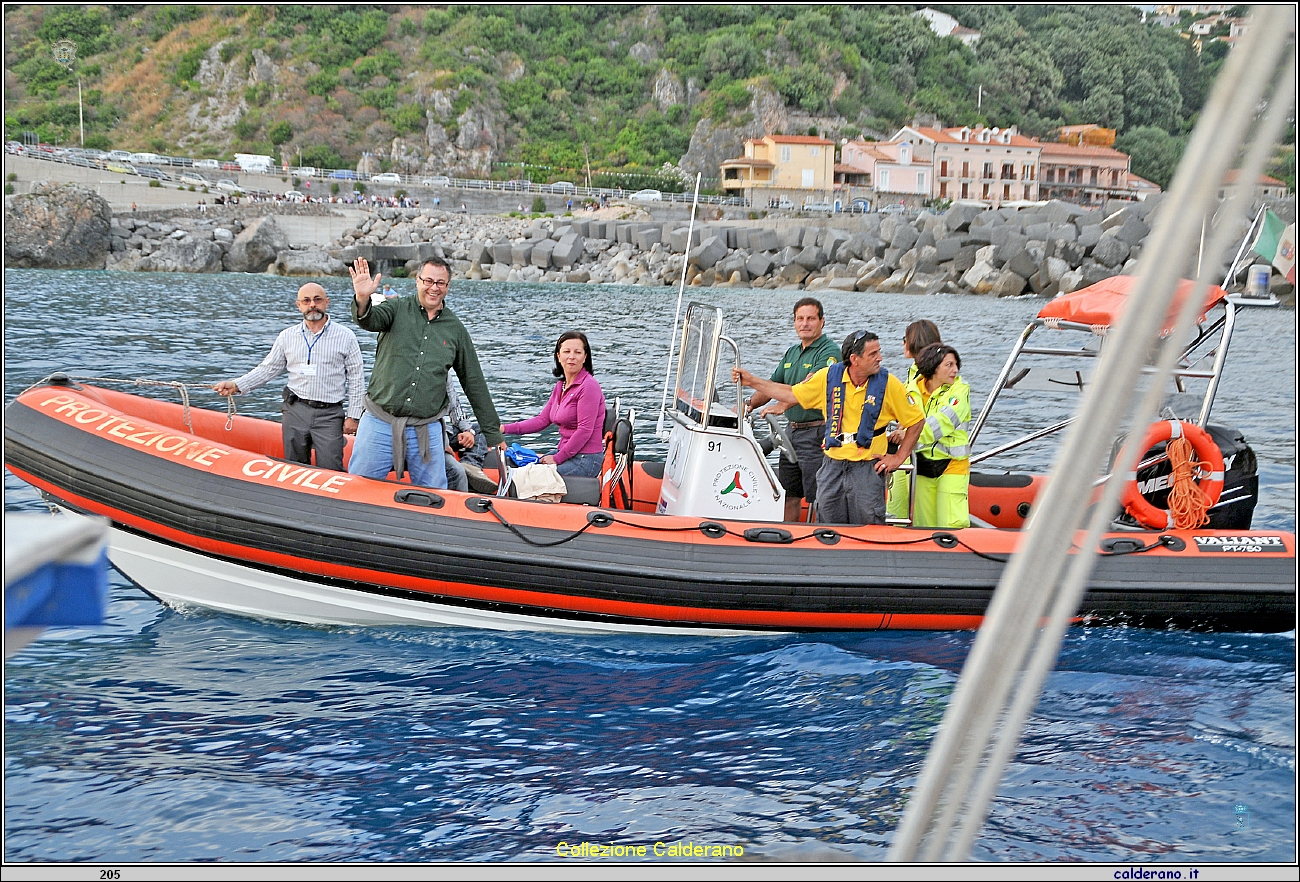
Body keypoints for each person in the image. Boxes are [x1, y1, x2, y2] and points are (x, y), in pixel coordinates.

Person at [734, 330, 924, 526]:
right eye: (873, 354)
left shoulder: (889, 384)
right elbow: (790, 394)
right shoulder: (828, 377)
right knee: (828, 521)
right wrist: (751, 381)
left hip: (867, 468)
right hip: (832, 465)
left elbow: (917, 421)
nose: (880, 358)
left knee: (868, 524)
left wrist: (899, 457)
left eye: (879, 352)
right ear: (854, 359)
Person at [348, 256, 505, 488]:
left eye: (440, 283)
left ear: (448, 286)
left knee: (435, 497)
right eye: (428, 281)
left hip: (427, 428)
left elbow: (473, 382)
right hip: (379, 422)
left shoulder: (456, 330)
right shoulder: (395, 309)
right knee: (358, 489)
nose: (434, 288)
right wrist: (362, 298)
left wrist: (493, 434)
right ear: (417, 281)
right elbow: (369, 320)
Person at [214, 283, 364, 471]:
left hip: (329, 415)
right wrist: (236, 385)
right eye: (306, 301)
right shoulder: (287, 336)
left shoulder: (346, 336)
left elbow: (357, 378)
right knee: (294, 468)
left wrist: (354, 416)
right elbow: (268, 369)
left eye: (317, 300)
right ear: (298, 305)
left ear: (327, 303)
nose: (312, 305)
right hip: (295, 411)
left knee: (331, 467)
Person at [745, 297, 840, 522]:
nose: (805, 323)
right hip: (792, 432)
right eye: (800, 319)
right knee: (789, 493)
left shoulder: (829, 353)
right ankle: (788, 535)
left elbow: (810, 388)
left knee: (819, 495)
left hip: (818, 432)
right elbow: (772, 386)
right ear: (794, 322)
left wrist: (783, 405)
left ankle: (822, 538)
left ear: (822, 322)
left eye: (810, 318)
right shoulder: (791, 353)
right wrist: (747, 405)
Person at [501, 331, 606, 478]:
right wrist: (504, 428)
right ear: (558, 355)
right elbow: (542, 420)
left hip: (585, 459)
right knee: (523, 470)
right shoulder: (560, 386)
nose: (571, 356)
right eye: (566, 351)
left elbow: (584, 431)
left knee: (531, 477)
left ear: (585, 357)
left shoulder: (588, 386)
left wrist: (557, 459)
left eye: (577, 352)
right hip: (568, 454)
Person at [906, 343, 971, 529]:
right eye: (949, 365)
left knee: (952, 524)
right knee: (923, 525)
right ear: (933, 367)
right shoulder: (910, 389)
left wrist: (908, 435)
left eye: (956, 365)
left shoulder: (960, 391)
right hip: (922, 465)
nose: (955, 370)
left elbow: (943, 421)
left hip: (952, 464)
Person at [888, 319, 943, 519]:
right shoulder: (913, 372)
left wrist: (906, 432)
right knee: (896, 506)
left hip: (927, 456)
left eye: (905, 339)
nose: (903, 344)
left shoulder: (937, 377)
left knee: (917, 512)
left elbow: (931, 415)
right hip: (907, 451)